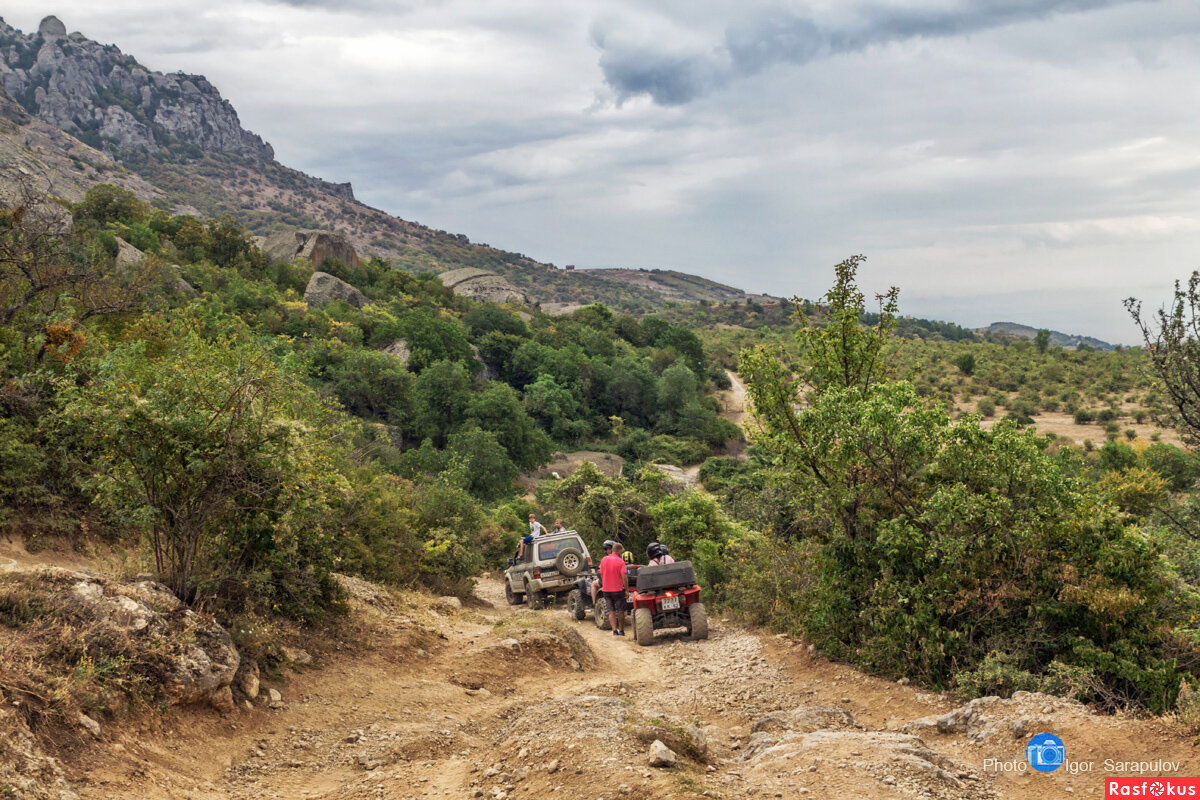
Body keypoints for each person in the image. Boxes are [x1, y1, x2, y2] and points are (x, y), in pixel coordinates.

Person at [600, 542, 628, 636]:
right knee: (620, 610)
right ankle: (621, 630)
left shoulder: (604, 560)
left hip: (606, 590)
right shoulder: (620, 561)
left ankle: (614, 631)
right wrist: (627, 590)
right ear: (619, 550)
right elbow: (624, 577)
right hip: (618, 590)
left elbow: (601, 573)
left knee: (611, 611)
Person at [591, 540, 615, 605]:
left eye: (607, 549)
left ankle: (594, 603)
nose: (606, 551)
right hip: (617, 582)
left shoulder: (605, 559)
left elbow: (600, 570)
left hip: (608, 582)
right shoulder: (620, 557)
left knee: (593, 584)